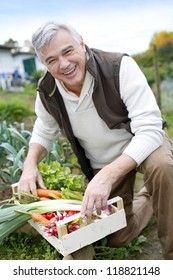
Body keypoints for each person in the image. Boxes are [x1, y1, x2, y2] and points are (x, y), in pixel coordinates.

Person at [18, 21, 173, 260]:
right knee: (119, 237)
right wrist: (30, 165)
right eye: (52, 60)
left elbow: (150, 129)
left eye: (68, 51)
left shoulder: (118, 67)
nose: (64, 64)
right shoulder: (47, 89)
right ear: (45, 65)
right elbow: (43, 129)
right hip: (102, 160)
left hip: (143, 143)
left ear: (82, 44)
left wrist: (108, 175)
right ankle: (152, 197)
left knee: (163, 166)